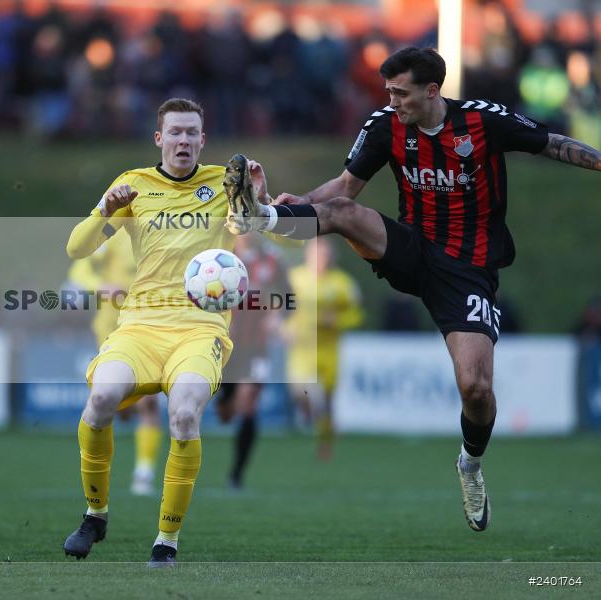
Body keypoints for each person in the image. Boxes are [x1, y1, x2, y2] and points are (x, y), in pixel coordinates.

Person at [227, 47, 601, 532]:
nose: (392, 100)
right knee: (342, 214)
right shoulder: (385, 125)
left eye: (400, 93)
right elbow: (344, 187)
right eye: (389, 91)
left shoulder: (482, 121)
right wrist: (298, 204)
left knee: (476, 387)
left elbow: (551, 143)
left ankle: (470, 463)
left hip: (468, 269)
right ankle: (260, 215)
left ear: (431, 90)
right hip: (411, 247)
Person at [63, 98, 237, 567]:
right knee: (101, 399)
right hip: (140, 325)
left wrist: (257, 201)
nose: (184, 140)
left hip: (200, 329)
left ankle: (166, 541)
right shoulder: (132, 185)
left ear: (203, 140)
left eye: (192, 132)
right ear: (159, 138)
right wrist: (104, 210)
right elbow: (77, 249)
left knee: (184, 415)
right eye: (175, 132)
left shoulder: (225, 183)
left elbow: (269, 230)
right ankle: (95, 515)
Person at [66, 230, 164, 497]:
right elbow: (79, 270)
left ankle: (143, 474)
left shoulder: (165, 231)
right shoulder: (113, 233)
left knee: (149, 403)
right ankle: (98, 473)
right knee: (116, 405)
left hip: (150, 328)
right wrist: (101, 287)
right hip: (112, 330)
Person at [215, 233, 289, 489]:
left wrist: (277, 317)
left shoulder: (272, 259)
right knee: (226, 412)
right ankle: (225, 400)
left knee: (248, 403)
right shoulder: (220, 256)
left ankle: (236, 474)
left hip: (257, 346)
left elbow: (288, 296)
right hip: (226, 344)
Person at [283, 238, 362, 461]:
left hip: (328, 350)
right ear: (308, 256)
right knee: (299, 393)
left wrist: (337, 320)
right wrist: (284, 328)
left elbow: (356, 315)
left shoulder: (342, 283)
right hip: (302, 349)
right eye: (316, 255)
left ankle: (325, 445)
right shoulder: (294, 279)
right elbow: (280, 308)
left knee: (326, 402)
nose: (320, 260)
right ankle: (309, 413)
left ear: (331, 258)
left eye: (324, 256)